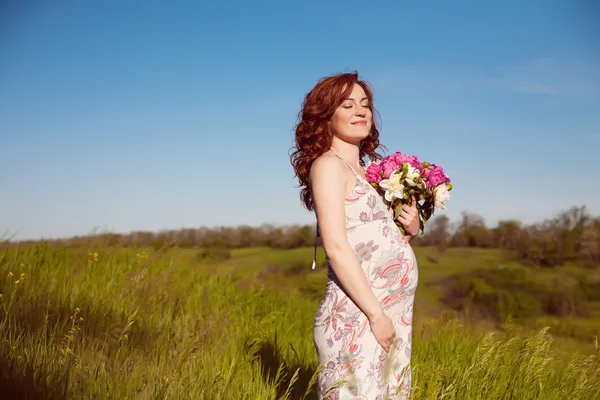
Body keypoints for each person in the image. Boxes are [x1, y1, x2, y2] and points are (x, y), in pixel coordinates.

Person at [289, 72, 420, 399]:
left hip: (392, 317)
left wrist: (411, 230)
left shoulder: (370, 171)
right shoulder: (328, 166)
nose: (361, 111)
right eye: (348, 105)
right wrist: (376, 315)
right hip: (358, 317)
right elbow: (335, 246)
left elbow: (376, 245)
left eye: (365, 104)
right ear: (326, 117)